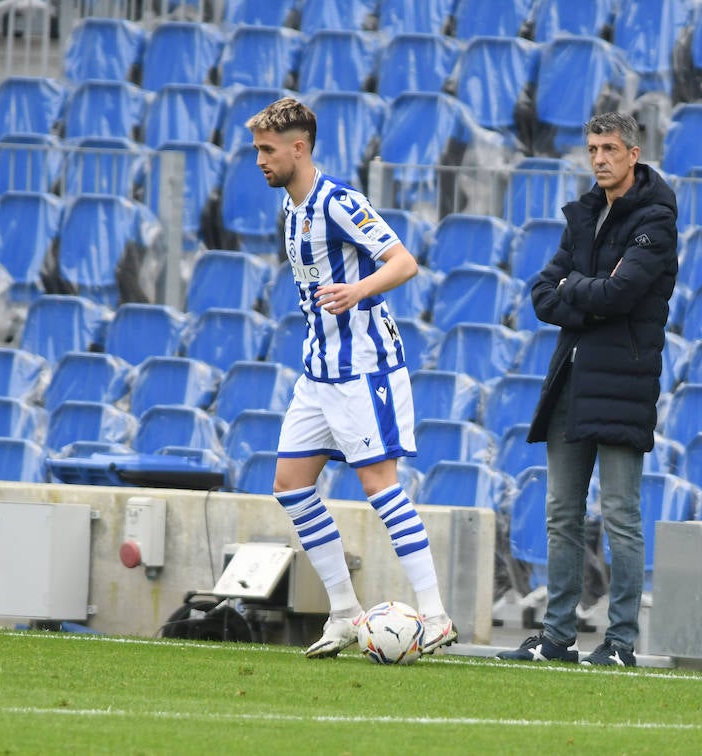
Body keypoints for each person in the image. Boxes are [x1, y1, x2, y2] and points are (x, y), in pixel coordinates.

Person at [246, 97, 457, 659]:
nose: (260, 161)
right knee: (291, 485)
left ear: (299, 148)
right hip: (318, 369)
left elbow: (404, 262)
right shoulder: (292, 208)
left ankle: (435, 615)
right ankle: (343, 612)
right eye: (257, 150)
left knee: (380, 487)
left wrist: (356, 291)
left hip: (363, 367)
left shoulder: (340, 203)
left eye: (267, 150)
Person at [497, 112, 678, 667]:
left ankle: (620, 642)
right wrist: (587, 292)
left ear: (633, 154)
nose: (598, 158)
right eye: (593, 148)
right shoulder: (583, 215)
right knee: (561, 513)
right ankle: (556, 638)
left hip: (622, 385)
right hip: (570, 380)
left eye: (609, 149)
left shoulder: (655, 220)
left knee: (620, 515)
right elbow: (541, 295)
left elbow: (619, 295)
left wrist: (577, 288)